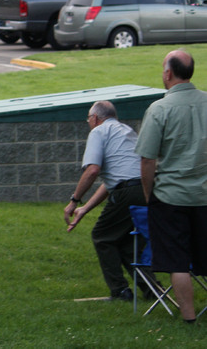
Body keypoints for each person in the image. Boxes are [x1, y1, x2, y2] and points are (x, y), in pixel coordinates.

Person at [136, 49, 207, 324]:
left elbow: (147, 159)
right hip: (204, 195)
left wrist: (148, 194)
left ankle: (189, 317)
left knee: (177, 261)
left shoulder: (159, 109)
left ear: (167, 73)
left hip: (170, 197)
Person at [64, 100, 151, 301]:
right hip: (145, 189)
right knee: (128, 244)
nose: (88, 122)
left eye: (88, 118)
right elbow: (114, 181)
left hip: (127, 191)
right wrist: (85, 208)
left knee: (102, 236)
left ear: (95, 118)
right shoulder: (127, 131)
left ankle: (120, 291)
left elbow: (92, 170)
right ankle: (151, 289)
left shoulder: (98, 132)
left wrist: (74, 201)